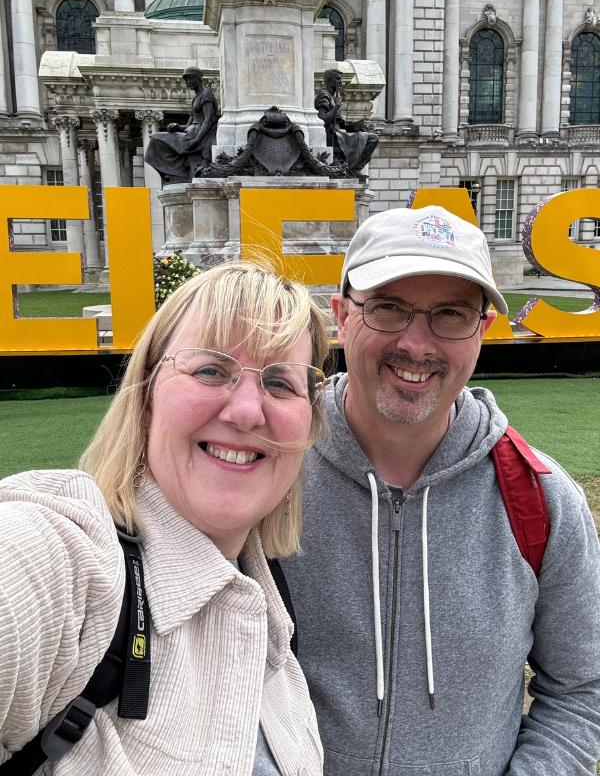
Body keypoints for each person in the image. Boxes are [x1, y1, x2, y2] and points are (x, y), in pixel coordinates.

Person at [281, 205, 600, 776]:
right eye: (388, 308)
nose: (417, 344)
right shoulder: (269, 472)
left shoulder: (541, 501)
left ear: (483, 331)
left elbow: (582, 691)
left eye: (450, 314)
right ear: (342, 316)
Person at [0, 261, 329, 775]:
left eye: (280, 383)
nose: (247, 410)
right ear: (148, 396)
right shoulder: (69, 559)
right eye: (210, 371)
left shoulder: (272, 612)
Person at [145, 66, 218, 184]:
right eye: (186, 80)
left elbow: (208, 120)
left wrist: (197, 140)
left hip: (198, 136)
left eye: (190, 78)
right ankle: (176, 173)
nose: (188, 82)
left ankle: (177, 172)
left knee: (156, 139)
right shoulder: (196, 98)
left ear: (198, 78)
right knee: (156, 139)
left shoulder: (206, 95)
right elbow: (188, 125)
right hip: (191, 132)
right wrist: (178, 127)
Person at [315, 69, 378, 175]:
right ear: (328, 79)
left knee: (372, 138)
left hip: (339, 131)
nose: (340, 82)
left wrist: (352, 125)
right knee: (372, 139)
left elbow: (338, 119)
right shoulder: (323, 95)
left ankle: (355, 168)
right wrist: (336, 107)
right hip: (332, 134)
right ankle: (355, 168)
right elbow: (322, 119)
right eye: (337, 79)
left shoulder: (334, 96)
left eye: (341, 79)